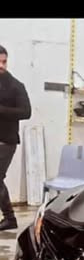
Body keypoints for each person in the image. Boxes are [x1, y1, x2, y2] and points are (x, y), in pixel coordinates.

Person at [0, 45, 32, 231]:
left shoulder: (16, 86)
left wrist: (1, 110)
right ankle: (9, 218)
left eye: (4, 61)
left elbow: (26, 112)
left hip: (6, 141)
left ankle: (10, 218)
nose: (1, 65)